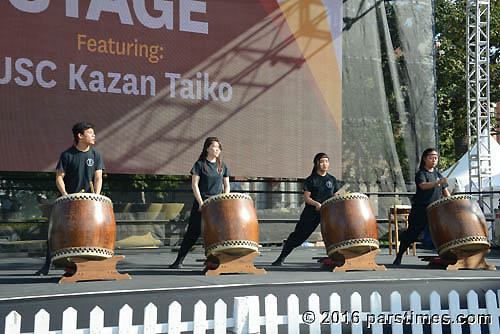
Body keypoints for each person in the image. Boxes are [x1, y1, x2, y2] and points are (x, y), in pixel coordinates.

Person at [35, 122, 105, 275]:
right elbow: (59, 177)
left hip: (88, 202)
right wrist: (66, 195)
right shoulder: (67, 155)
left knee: (87, 233)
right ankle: (47, 265)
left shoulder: (96, 155)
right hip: (68, 202)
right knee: (56, 232)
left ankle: (84, 265)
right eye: (90, 133)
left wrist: (96, 196)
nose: (94, 136)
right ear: (80, 136)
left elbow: (98, 177)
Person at [169, 137, 230, 269]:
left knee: (217, 234)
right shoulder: (200, 165)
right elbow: (194, 185)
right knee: (193, 232)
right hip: (202, 205)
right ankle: (178, 261)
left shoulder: (222, 165)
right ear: (207, 148)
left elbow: (226, 185)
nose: (217, 150)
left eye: (219, 148)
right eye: (215, 147)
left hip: (217, 205)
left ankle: (215, 262)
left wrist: (224, 200)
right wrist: (201, 203)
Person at [272, 153, 340, 266]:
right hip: (312, 213)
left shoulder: (332, 179)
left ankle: (337, 258)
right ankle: (281, 258)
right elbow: (307, 198)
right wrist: (317, 204)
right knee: (299, 236)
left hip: (328, 213)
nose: (325, 164)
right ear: (317, 163)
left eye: (327, 161)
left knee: (334, 234)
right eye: (322, 161)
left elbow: (335, 195)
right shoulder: (311, 179)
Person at [393, 148, 450, 265]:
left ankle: (446, 257)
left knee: (441, 233)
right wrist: (438, 182)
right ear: (425, 158)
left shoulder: (438, 174)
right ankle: (399, 256)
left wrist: (451, 201)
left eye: (436, 158)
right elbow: (423, 186)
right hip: (421, 209)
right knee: (412, 234)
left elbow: (445, 191)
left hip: (436, 210)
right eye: (431, 157)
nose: (434, 160)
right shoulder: (421, 174)